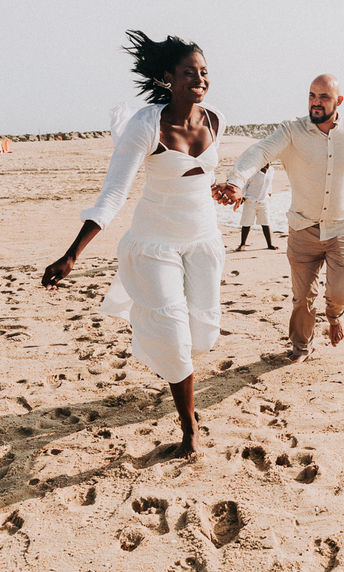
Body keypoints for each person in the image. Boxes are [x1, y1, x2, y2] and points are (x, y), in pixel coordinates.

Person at [42, 32, 224, 458]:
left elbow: (202, 176)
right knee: (175, 339)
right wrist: (72, 254)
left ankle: (175, 372)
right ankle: (189, 429)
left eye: (204, 71)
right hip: (154, 245)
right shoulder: (147, 125)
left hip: (202, 241)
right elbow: (113, 194)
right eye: (189, 72)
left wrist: (228, 190)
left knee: (202, 335)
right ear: (167, 78)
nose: (199, 79)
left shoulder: (216, 120)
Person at [214, 74, 344, 363]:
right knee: (302, 297)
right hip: (303, 227)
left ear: (338, 101)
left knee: (338, 294)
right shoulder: (292, 131)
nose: (316, 102)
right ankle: (302, 346)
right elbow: (259, 151)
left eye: (324, 97)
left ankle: (335, 316)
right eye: (312, 96)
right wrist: (237, 181)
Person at [234, 163, 277, 251]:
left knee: (266, 222)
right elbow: (245, 185)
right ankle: (242, 244)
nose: (266, 165)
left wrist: (269, 192)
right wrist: (241, 197)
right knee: (246, 223)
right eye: (264, 163)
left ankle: (270, 244)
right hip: (250, 200)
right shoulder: (252, 172)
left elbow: (270, 182)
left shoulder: (271, 170)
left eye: (268, 163)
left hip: (263, 201)